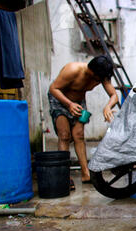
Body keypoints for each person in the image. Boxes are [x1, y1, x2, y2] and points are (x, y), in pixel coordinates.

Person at [48, 55, 118, 185]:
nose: (99, 82)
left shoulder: (101, 75)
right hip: (60, 101)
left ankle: (86, 174)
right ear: (91, 72)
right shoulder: (73, 70)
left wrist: (108, 107)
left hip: (79, 102)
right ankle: (64, 176)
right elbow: (53, 89)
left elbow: (114, 95)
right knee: (64, 135)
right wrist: (69, 104)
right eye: (98, 79)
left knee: (79, 135)